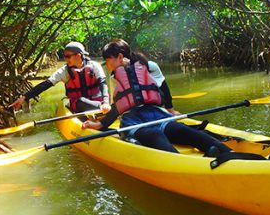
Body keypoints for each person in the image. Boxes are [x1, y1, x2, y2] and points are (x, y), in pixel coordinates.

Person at [82, 39, 231, 156]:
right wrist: (101, 125)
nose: (107, 66)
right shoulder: (117, 75)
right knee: (154, 134)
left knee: (181, 130)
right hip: (133, 120)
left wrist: (170, 110)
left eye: (107, 61)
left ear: (120, 57)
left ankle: (228, 153)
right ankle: (181, 163)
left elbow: (163, 88)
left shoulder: (147, 66)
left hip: (155, 113)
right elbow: (120, 104)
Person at [9, 42, 111, 113]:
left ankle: (105, 109)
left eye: (68, 56)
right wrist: (24, 97)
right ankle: (104, 109)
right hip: (80, 105)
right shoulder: (64, 71)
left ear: (78, 55)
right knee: (81, 101)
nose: (65, 59)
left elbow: (103, 84)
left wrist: (106, 102)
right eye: (64, 56)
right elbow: (46, 84)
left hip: (99, 103)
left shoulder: (94, 66)